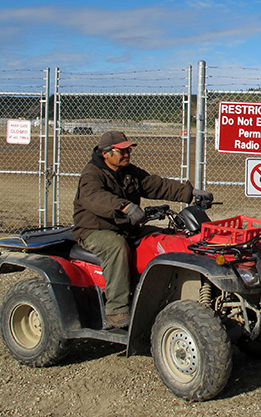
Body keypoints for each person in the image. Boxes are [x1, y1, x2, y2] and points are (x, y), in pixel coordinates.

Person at [72, 131, 211, 329]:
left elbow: (157, 185)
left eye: (128, 149)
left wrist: (191, 193)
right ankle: (117, 310)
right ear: (106, 153)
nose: (127, 154)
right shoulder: (92, 174)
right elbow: (95, 198)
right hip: (95, 230)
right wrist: (125, 207)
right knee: (116, 247)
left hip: (127, 228)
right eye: (122, 150)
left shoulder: (129, 172)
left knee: (164, 237)